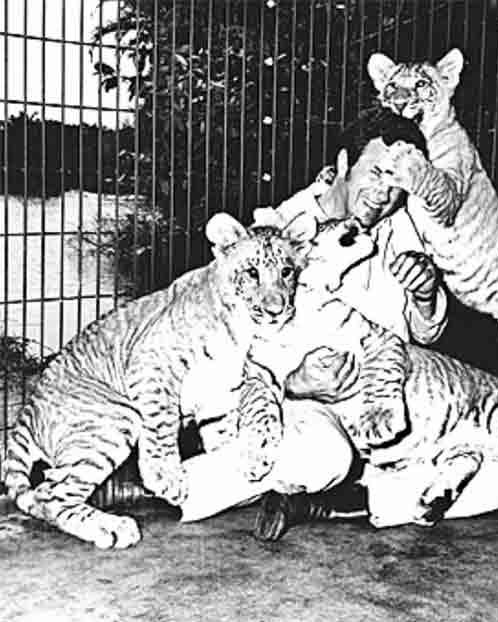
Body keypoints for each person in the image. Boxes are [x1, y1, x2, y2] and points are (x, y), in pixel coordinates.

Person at [179, 108, 450, 524]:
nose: (383, 192)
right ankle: (171, 487)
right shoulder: (278, 231)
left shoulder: (400, 226)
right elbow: (230, 354)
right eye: (375, 172)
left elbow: (423, 335)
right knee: (327, 457)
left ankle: (329, 501)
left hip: (382, 399)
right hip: (296, 404)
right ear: (343, 163)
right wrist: (295, 384)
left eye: (397, 180)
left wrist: (426, 294)